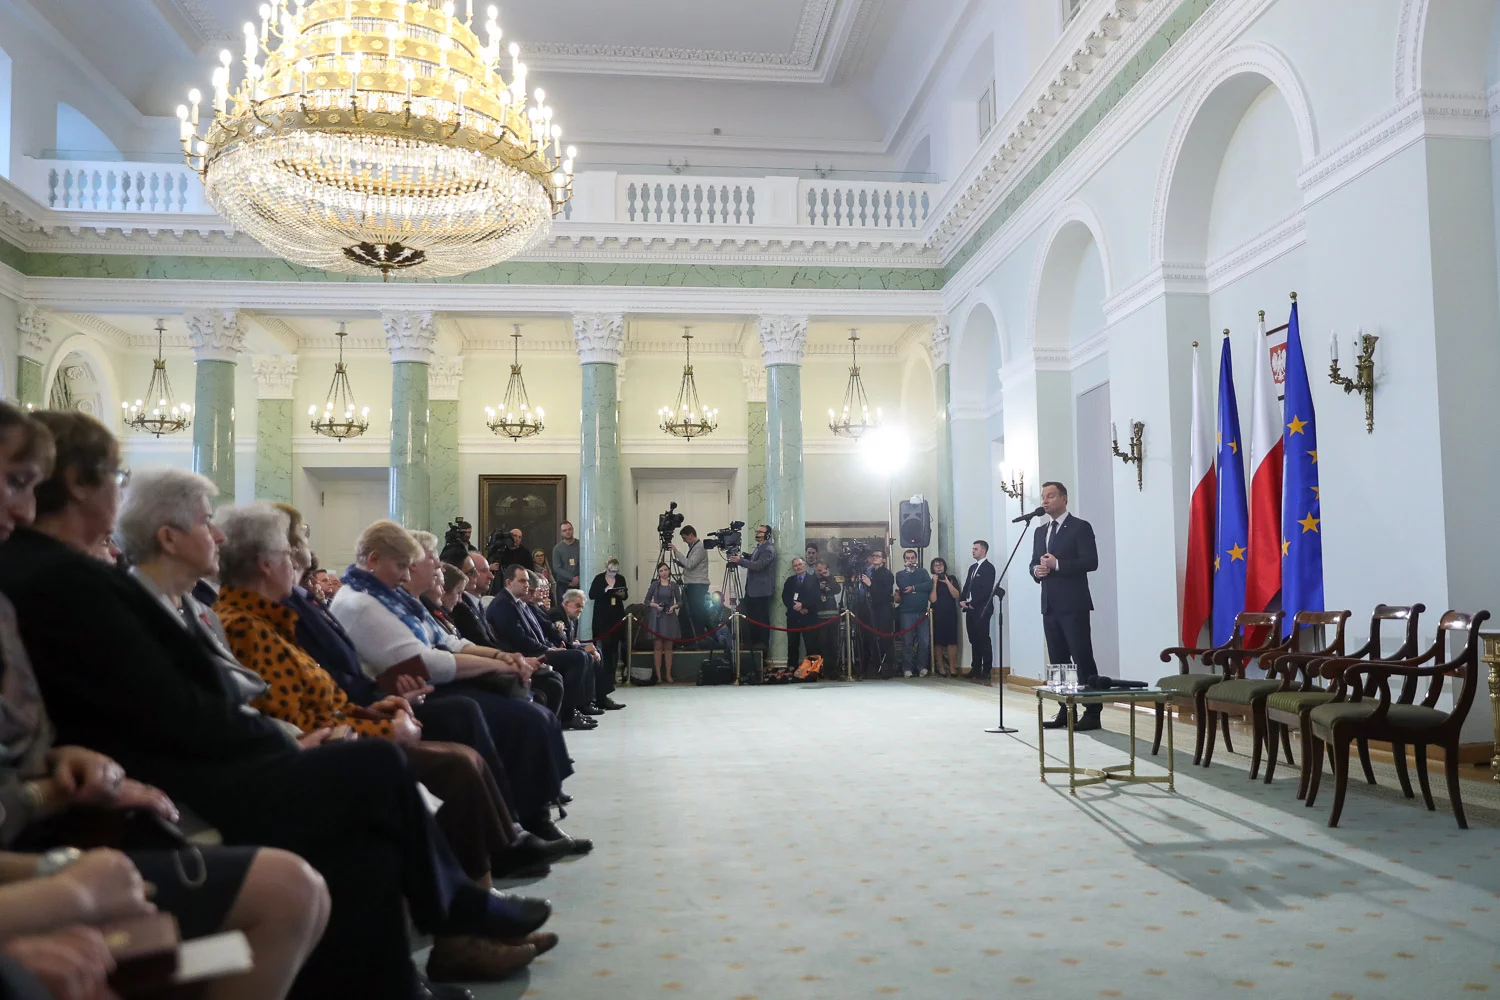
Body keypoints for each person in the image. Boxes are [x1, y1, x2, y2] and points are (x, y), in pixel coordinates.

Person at [5, 411, 553, 999]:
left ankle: (414, 964)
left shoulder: (77, 575)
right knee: (377, 768)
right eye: (115, 475)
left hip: (203, 760)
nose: (215, 536)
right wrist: (285, 739)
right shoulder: (64, 578)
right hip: (185, 783)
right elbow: (170, 710)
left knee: (364, 840)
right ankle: (459, 909)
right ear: (84, 485)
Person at [0, 405, 331, 1000]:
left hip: (62, 831)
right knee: (292, 883)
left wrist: (60, 759)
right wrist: (61, 878)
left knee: (332, 846)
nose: (23, 511)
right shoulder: (67, 582)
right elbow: (173, 709)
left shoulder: (21, 595)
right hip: (66, 835)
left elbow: (25, 739)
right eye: (14, 483)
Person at [211, 505, 557, 899]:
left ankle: (499, 858)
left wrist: (381, 706)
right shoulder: (254, 622)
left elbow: (327, 690)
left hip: (363, 707)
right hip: (329, 739)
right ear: (263, 564)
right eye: (291, 553)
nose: (302, 562)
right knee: (458, 742)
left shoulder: (280, 615)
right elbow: (305, 713)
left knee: (483, 724)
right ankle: (476, 894)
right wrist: (382, 715)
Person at [331, 521, 584, 850]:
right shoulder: (361, 602)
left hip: (419, 687)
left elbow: (449, 641)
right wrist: (501, 665)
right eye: (402, 566)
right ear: (373, 559)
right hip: (401, 696)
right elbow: (425, 663)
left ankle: (529, 818)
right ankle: (512, 829)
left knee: (532, 712)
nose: (406, 576)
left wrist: (504, 658)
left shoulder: (388, 596)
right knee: (516, 717)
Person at [486, 566, 596, 731]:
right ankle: (568, 715)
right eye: (522, 581)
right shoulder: (503, 604)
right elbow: (520, 639)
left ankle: (573, 710)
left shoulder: (518, 603)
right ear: (509, 582)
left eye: (527, 581)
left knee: (580, 655)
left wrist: (550, 647)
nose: (526, 585)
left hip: (537, 650)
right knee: (578, 658)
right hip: (526, 654)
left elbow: (536, 632)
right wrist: (548, 650)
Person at [1030, 481, 1101, 731]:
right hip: (1049, 604)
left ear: (1064, 498)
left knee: (1081, 657)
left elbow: (1091, 562)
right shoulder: (1040, 531)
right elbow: (1033, 564)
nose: (1045, 501)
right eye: (1043, 496)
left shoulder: (1080, 527)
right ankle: (1064, 709)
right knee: (1058, 661)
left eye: (1050, 496)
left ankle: (1092, 711)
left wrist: (1058, 564)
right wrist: (1037, 571)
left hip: (1074, 604)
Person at [558, 589, 621, 712]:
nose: (580, 609)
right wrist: (578, 646)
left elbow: (569, 640)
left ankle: (600, 698)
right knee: (585, 655)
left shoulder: (570, 617)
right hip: (557, 650)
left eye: (582, 606)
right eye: (577, 605)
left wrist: (577, 644)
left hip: (567, 648)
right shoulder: (558, 615)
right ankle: (585, 703)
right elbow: (561, 641)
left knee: (596, 650)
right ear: (566, 604)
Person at [732, 525, 776, 653]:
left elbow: (758, 566)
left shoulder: (768, 549)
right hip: (752, 590)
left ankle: (762, 644)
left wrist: (740, 561)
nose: (757, 533)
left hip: (761, 592)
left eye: (760, 531)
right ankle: (751, 643)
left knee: (761, 618)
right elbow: (754, 561)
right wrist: (747, 558)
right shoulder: (759, 548)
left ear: (767, 535)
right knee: (751, 618)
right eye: (757, 531)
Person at [587, 558, 629, 689]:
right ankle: (605, 674)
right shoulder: (599, 578)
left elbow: (625, 595)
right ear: (606, 568)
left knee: (615, 645)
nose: (613, 574)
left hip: (616, 615)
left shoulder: (620, 579)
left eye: (615, 572)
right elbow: (591, 594)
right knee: (605, 645)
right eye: (611, 571)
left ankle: (613, 674)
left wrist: (620, 594)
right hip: (602, 616)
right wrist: (605, 591)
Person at [959, 540, 998, 683]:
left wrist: (972, 603)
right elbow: (967, 586)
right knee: (973, 639)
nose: (973, 551)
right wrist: (962, 600)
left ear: (983, 551)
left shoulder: (989, 568)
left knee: (983, 639)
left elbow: (986, 590)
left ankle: (986, 669)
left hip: (981, 609)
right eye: (972, 548)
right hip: (969, 609)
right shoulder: (972, 567)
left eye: (975, 549)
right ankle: (975, 667)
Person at [857, 549, 896, 677]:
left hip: (883, 610)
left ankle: (887, 667)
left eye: (878, 556)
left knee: (884, 638)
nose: (875, 558)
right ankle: (873, 666)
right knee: (871, 638)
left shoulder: (887, 574)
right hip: (870, 609)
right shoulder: (870, 572)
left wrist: (870, 584)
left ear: (884, 559)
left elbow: (885, 593)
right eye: (873, 556)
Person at [894, 550, 931, 677]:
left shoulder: (923, 572)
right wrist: (915, 583)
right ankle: (907, 668)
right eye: (908, 558)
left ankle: (921, 666)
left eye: (912, 558)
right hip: (907, 613)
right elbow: (904, 587)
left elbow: (929, 585)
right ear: (904, 560)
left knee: (924, 642)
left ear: (916, 559)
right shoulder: (900, 574)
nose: (910, 560)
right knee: (907, 642)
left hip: (922, 613)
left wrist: (914, 588)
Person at [644, 563, 681, 684]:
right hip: (658, 617)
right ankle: (659, 676)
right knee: (658, 647)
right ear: (658, 573)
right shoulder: (655, 585)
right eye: (661, 570)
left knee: (669, 648)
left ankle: (668, 675)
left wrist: (673, 606)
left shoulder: (674, 585)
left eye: (666, 570)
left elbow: (680, 602)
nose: (664, 572)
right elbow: (647, 600)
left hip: (669, 617)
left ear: (669, 571)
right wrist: (655, 606)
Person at [669, 526, 709, 638]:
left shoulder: (700, 547)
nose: (684, 540)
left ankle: (696, 638)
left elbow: (690, 564)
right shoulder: (693, 546)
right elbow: (691, 564)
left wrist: (676, 552)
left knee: (695, 613)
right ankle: (685, 638)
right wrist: (680, 563)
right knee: (685, 612)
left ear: (691, 535)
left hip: (697, 585)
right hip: (691, 584)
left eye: (685, 538)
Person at [781, 557, 819, 669]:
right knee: (792, 645)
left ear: (805, 565)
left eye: (800, 564)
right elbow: (785, 597)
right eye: (795, 565)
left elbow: (816, 597)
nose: (798, 567)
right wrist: (796, 607)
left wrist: (803, 605)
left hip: (809, 617)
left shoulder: (813, 579)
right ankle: (791, 670)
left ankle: (813, 670)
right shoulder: (790, 581)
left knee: (811, 645)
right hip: (793, 617)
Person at [929, 557, 961, 677]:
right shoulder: (931, 581)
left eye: (940, 565)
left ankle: (953, 668)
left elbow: (956, 595)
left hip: (951, 613)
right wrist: (935, 582)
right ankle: (941, 667)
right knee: (938, 642)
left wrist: (947, 581)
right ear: (932, 568)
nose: (938, 567)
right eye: (936, 565)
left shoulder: (952, 578)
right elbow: (933, 599)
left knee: (952, 641)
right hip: (937, 613)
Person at [550, 521, 580, 591]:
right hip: (563, 585)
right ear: (561, 533)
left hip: (580, 583)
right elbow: (557, 568)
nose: (567, 532)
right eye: (564, 530)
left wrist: (578, 579)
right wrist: (572, 578)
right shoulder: (557, 549)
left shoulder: (581, 545)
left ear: (573, 529)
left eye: (569, 529)